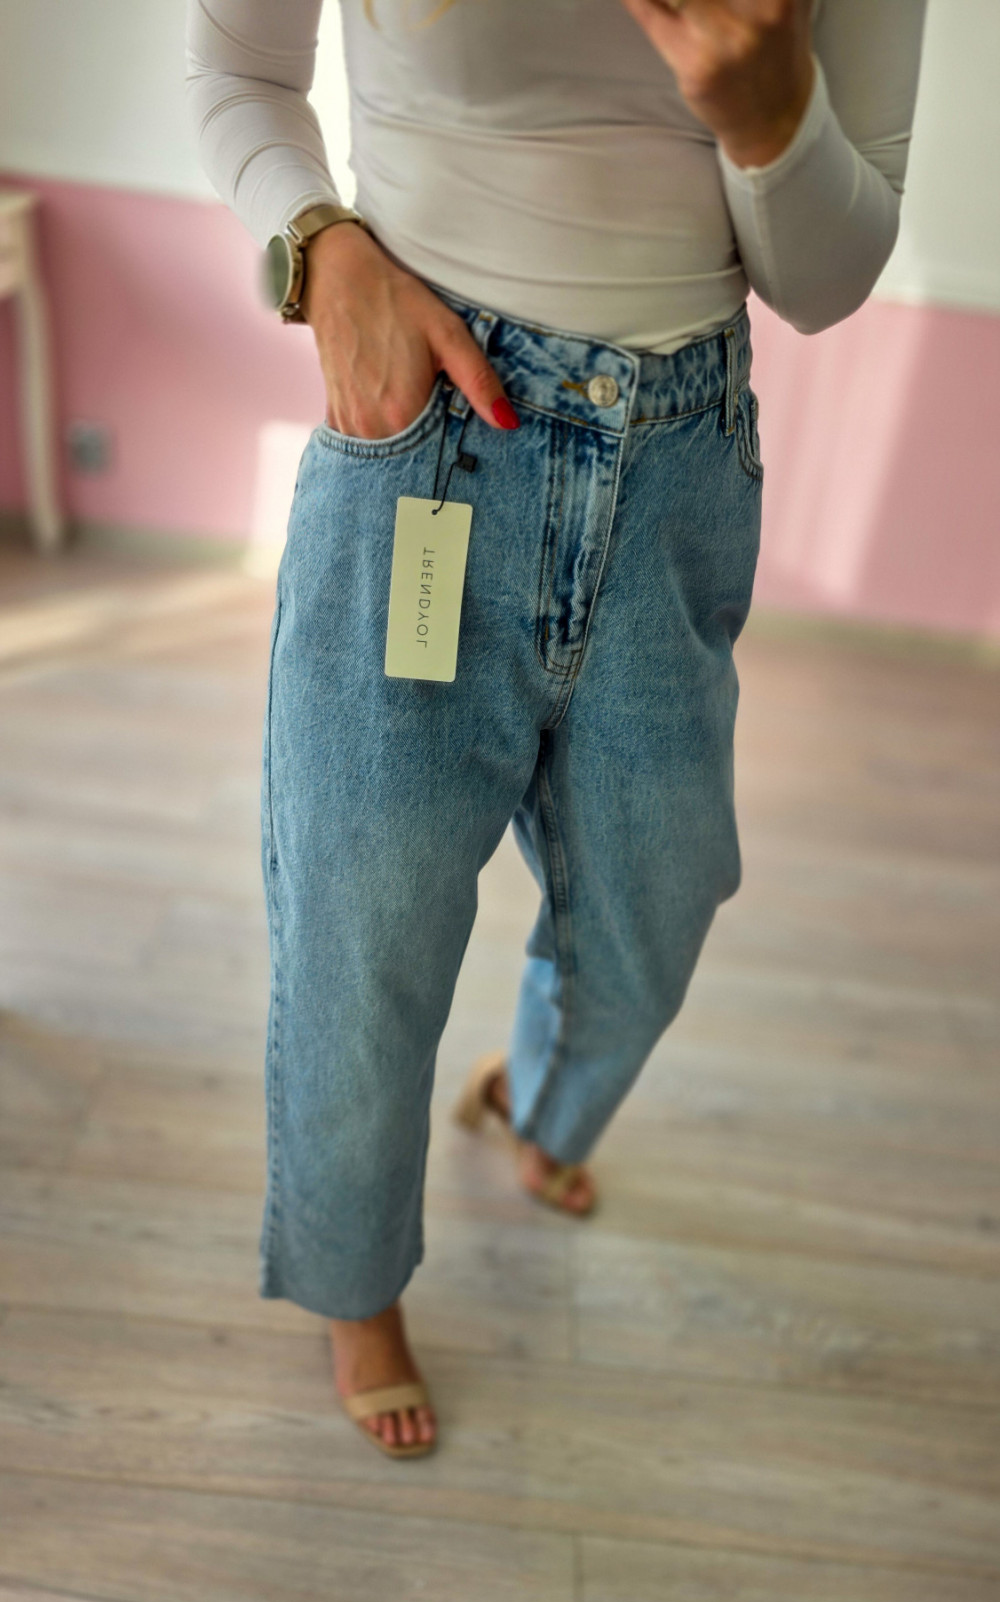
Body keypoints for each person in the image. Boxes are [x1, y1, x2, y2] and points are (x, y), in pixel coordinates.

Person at [185, 0, 926, 1458]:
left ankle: (535, 1101)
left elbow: (825, 282)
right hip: (432, 428)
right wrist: (320, 248)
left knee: (659, 901)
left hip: (679, 462)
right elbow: (239, 73)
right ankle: (355, 1286)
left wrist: (770, 118)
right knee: (365, 923)